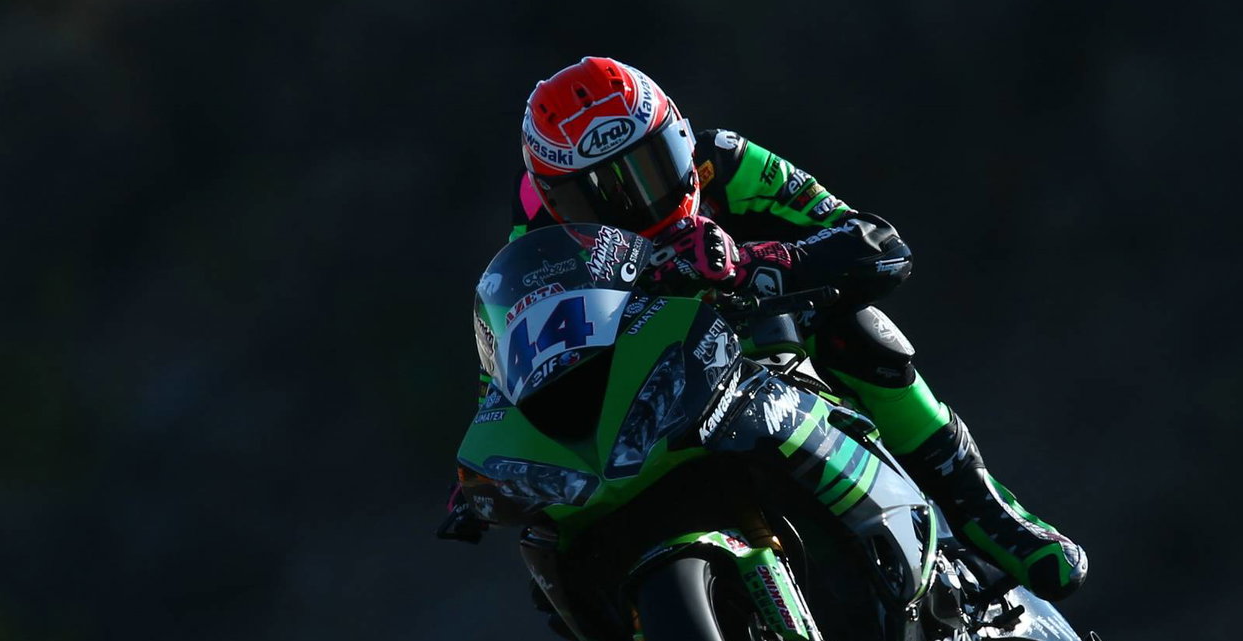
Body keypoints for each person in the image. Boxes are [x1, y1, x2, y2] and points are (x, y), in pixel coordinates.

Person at [461, 56, 1086, 606]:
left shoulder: (726, 162)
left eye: (650, 170)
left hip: (760, 344)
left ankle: (984, 507)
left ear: (679, 141)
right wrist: (492, 461)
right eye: (598, 197)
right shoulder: (537, 235)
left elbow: (875, 242)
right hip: (648, 388)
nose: (636, 206)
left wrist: (760, 263)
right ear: (553, 198)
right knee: (546, 541)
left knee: (860, 330)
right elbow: (520, 353)